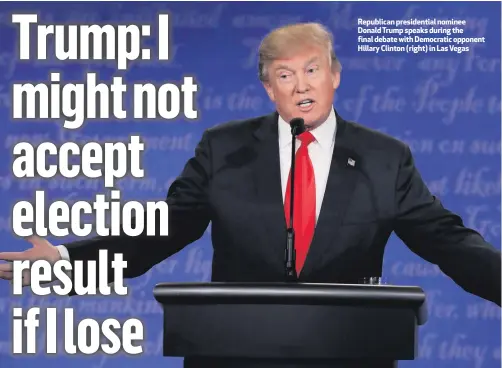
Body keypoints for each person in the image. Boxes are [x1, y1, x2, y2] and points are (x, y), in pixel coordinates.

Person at [1, 23, 501, 307]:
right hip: (233, 348)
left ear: (335, 77)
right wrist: (68, 260)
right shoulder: (225, 149)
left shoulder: (383, 157)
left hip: (351, 348)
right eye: (285, 75)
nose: (301, 86)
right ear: (269, 88)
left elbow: (447, 240)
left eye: (312, 71)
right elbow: (161, 231)